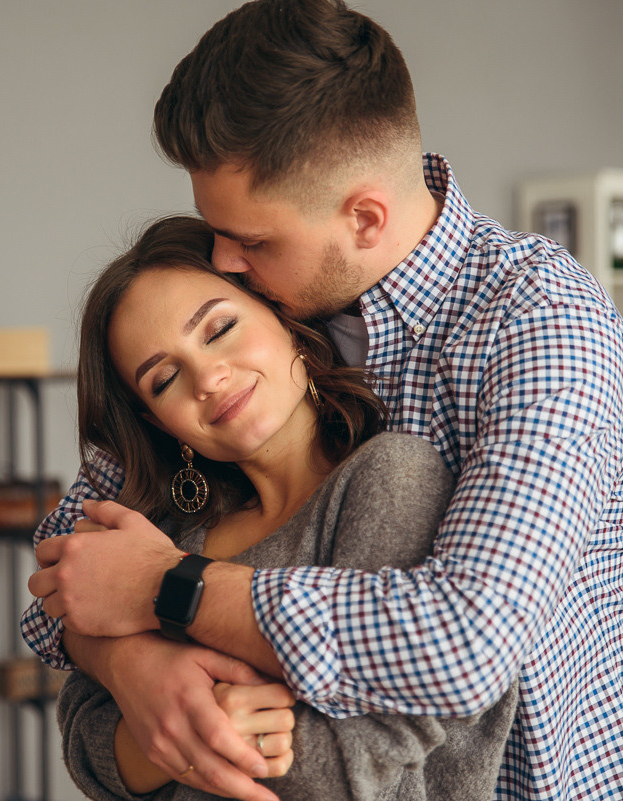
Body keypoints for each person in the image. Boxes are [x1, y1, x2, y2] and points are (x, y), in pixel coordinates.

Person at [24, 1, 623, 799]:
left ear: (364, 217)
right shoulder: (271, 302)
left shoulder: (538, 322)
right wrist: (137, 667)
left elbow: (463, 642)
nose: (224, 260)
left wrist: (169, 590)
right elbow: (63, 573)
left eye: (252, 240)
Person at [49, 214, 516, 801]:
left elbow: (348, 771)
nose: (208, 378)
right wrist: (162, 702)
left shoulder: (391, 478)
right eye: (164, 379)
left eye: (219, 329)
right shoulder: (164, 536)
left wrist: (182, 727)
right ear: (158, 422)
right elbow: (84, 745)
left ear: (287, 322)